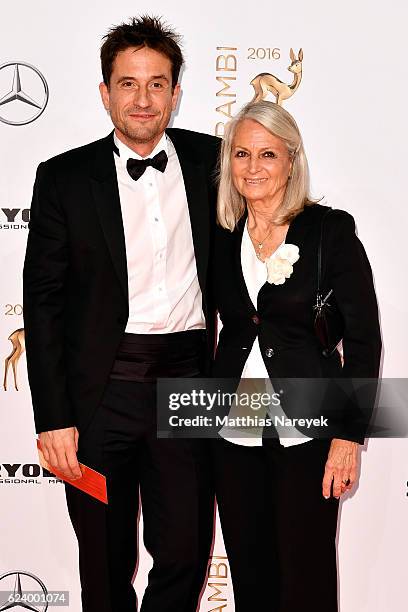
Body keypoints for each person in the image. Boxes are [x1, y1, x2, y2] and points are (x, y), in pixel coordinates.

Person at [23, 16, 220, 612]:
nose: (143, 99)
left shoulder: (215, 163)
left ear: (176, 93)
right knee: (104, 562)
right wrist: (52, 418)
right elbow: (45, 305)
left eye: (157, 84)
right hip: (96, 394)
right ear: (105, 92)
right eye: (128, 84)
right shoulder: (62, 178)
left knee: (187, 552)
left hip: (188, 384)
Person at [210, 100, 382, 611]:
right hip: (231, 429)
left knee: (305, 575)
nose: (254, 167)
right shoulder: (221, 236)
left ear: (292, 160)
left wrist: (349, 436)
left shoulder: (329, 231)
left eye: (268, 154)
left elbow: (366, 340)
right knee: (250, 570)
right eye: (242, 154)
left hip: (309, 428)